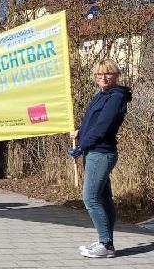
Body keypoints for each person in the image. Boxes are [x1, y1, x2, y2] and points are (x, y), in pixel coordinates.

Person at [69, 58, 131, 258]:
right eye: (99, 74)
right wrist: (80, 131)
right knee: (104, 198)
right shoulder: (101, 95)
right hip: (93, 151)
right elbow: (93, 122)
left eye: (108, 73)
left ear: (116, 75)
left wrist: (82, 146)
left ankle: (106, 244)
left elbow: (104, 126)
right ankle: (106, 241)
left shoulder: (115, 97)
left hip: (100, 153)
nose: (103, 77)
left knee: (91, 198)